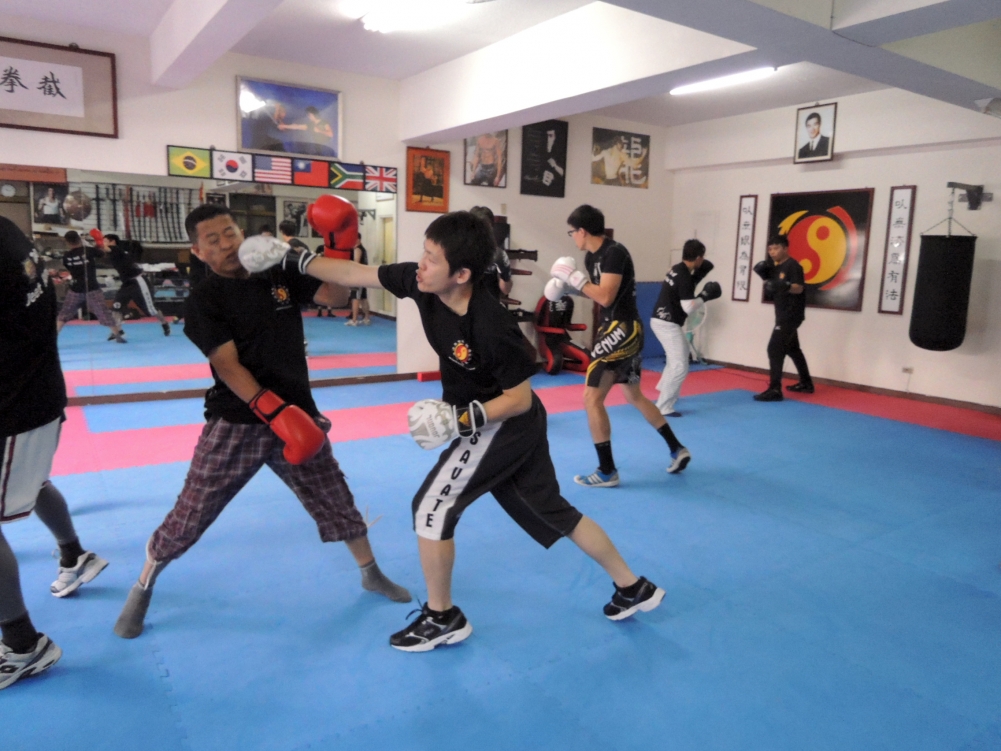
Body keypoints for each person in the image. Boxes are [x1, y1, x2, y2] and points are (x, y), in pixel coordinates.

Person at [239, 209, 666, 652]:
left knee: (431, 508)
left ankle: (442, 618)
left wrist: (458, 421)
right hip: (498, 419)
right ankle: (632, 586)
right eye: (423, 253)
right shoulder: (422, 283)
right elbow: (353, 273)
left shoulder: (491, 325)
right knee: (549, 507)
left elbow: (520, 399)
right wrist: (295, 259)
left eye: (432, 258)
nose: (421, 265)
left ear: (461, 274)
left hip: (504, 421)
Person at [112, 204, 410, 640]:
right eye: (213, 240)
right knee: (193, 511)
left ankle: (370, 572)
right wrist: (274, 413)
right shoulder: (204, 299)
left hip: (298, 414)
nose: (226, 244)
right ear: (198, 251)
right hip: (239, 420)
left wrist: (337, 246)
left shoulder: (276, 272)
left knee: (334, 495)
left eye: (230, 233)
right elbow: (227, 365)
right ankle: (142, 587)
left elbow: (335, 297)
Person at [0, 216, 108, 690]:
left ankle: (23, 645)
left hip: (16, 406)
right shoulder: (7, 230)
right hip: (35, 393)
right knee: (33, 480)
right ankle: (74, 555)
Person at [548, 205, 690, 487]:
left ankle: (607, 471)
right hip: (621, 329)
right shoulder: (591, 257)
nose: (572, 237)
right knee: (633, 395)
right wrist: (569, 288)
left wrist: (575, 278)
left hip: (620, 329)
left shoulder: (614, 253)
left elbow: (606, 297)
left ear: (582, 231)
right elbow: (597, 293)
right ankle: (677, 448)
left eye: (572, 232)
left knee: (591, 398)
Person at [649, 239, 721, 417]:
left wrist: (698, 277)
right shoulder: (684, 276)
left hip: (661, 320)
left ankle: (665, 392)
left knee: (675, 361)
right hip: (667, 324)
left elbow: (684, 288)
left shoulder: (677, 269)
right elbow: (688, 307)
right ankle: (664, 406)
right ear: (698, 258)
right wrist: (705, 296)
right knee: (680, 365)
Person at [752, 235, 813, 401]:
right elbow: (772, 289)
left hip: (791, 314)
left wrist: (785, 285)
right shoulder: (776, 268)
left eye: (776, 248)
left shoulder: (793, 266)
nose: (772, 252)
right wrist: (766, 279)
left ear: (785, 248)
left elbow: (799, 288)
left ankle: (775, 389)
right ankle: (806, 383)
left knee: (774, 349)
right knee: (793, 349)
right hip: (782, 314)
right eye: (770, 249)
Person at [55, 231, 126, 343]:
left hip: (75, 289)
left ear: (67, 242)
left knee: (64, 314)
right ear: (79, 239)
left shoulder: (66, 256)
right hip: (92, 288)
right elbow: (102, 253)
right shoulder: (88, 250)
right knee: (103, 312)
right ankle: (117, 335)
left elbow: (69, 268)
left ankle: (52, 338)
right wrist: (98, 242)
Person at [103, 234, 171, 336]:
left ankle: (164, 323)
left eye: (105, 241)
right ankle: (118, 331)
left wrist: (97, 238)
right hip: (127, 283)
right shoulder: (115, 252)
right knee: (117, 306)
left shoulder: (116, 249)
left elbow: (104, 248)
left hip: (138, 282)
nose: (104, 243)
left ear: (112, 242)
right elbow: (100, 250)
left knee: (150, 309)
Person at [469, 206, 512, 300]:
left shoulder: (497, 254)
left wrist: (505, 275)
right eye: (478, 227)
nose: (482, 232)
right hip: (463, 304)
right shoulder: (460, 252)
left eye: (486, 228)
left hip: (490, 304)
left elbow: (506, 290)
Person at [345, 241, 372, 326]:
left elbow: (356, 262)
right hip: (363, 275)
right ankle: (366, 318)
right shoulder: (363, 249)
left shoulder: (357, 249)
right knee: (363, 298)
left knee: (355, 298)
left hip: (357, 277)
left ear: (358, 239)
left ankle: (354, 320)